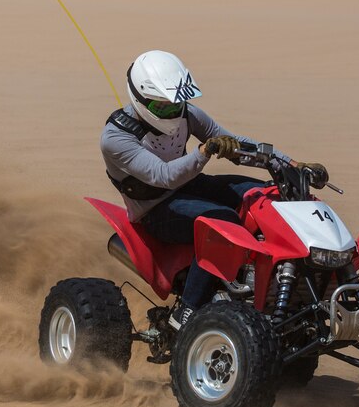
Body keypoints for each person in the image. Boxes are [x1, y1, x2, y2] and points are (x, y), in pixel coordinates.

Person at [100, 50, 327, 329]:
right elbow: (164, 176)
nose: (173, 112)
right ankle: (185, 312)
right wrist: (205, 151)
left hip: (191, 185)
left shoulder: (186, 113)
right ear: (141, 99)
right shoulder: (115, 138)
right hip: (155, 208)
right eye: (164, 108)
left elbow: (231, 142)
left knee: (263, 195)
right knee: (221, 220)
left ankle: (271, 278)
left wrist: (290, 164)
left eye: (177, 104)